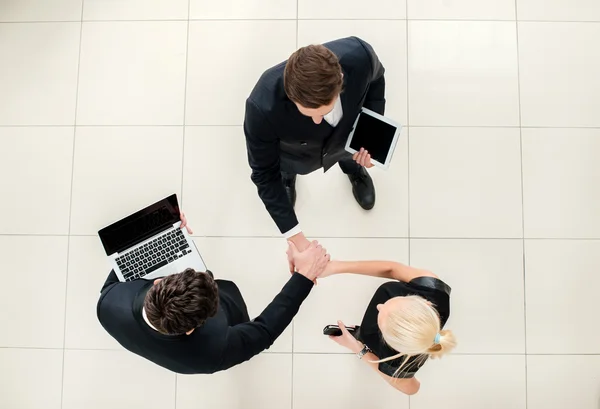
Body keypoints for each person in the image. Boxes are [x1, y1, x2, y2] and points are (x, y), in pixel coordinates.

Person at [96, 214, 330, 374]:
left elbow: (120, 270)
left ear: (158, 283)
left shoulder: (107, 306)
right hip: (226, 320)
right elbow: (265, 330)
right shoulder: (213, 352)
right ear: (191, 328)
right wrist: (305, 276)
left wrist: (161, 231)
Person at [244, 37, 386, 260]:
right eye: (311, 113)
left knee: (349, 155)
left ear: (340, 80)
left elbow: (377, 79)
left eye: (324, 110)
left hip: (348, 137)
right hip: (295, 153)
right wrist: (297, 238)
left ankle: (354, 170)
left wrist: (370, 133)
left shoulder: (360, 56)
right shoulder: (261, 106)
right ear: (291, 97)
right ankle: (288, 179)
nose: (319, 120)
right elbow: (264, 174)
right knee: (285, 170)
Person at [321, 259, 456, 395]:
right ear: (423, 302)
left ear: (391, 344)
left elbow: (412, 389)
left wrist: (358, 349)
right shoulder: (432, 288)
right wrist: (334, 267)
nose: (379, 306)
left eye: (380, 319)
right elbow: (392, 269)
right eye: (391, 302)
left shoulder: (396, 358)